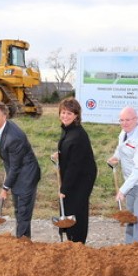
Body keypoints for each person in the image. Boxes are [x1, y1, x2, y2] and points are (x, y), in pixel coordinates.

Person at [0, 101, 40, 239]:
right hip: (17, 172)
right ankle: (23, 241)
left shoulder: (13, 137)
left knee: (23, 212)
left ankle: (22, 245)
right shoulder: (0, 131)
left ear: (4, 116)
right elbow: (10, 162)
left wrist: (5, 188)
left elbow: (15, 167)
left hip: (26, 176)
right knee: (19, 210)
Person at [106, 106, 138, 243]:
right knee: (129, 216)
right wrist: (115, 157)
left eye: (128, 120)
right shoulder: (123, 133)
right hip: (130, 181)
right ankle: (129, 247)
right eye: (121, 120)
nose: (124, 123)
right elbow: (121, 149)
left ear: (136, 120)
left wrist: (122, 190)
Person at [52, 98, 97, 243]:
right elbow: (69, 153)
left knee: (77, 209)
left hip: (82, 178)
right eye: (63, 112)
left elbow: (74, 165)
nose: (65, 116)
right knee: (68, 206)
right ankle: (70, 241)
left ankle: (78, 243)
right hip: (73, 175)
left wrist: (64, 188)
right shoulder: (67, 130)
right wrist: (59, 155)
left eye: (69, 113)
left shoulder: (78, 135)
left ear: (76, 115)